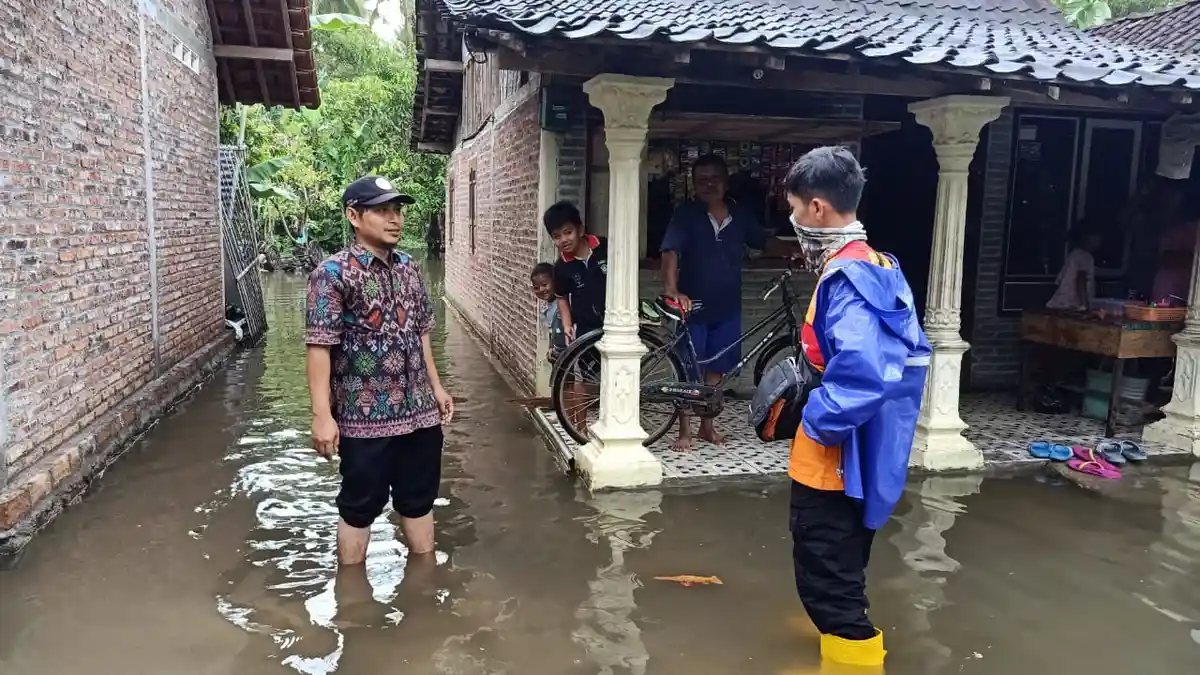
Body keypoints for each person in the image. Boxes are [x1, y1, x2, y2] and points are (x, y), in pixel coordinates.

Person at [785, 146, 930, 668]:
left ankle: (852, 656)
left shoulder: (847, 279)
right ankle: (836, 633)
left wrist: (814, 420)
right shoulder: (879, 264)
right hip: (863, 453)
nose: (794, 222)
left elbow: (864, 373)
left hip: (834, 460)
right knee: (843, 561)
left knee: (828, 578)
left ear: (817, 208)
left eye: (794, 209)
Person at [305, 175, 455, 567]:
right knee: (359, 506)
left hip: (420, 413)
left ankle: (424, 583)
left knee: (420, 500)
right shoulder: (332, 274)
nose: (395, 219)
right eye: (383, 210)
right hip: (364, 417)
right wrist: (322, 416)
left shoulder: (409, 268)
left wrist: (437, 388)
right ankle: (351, 590)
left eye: (398, 210)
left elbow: (422, 333)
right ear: (354, 216)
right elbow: (319, 346)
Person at [660, 154, 790, 451]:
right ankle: (684, 430)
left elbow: (763, 241)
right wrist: (672, 291)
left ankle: (707, 427)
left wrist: (795, 250)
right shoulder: (686, 214)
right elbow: (670, 252)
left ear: (726, 181)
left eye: (715, 178)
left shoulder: (739, 214)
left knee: (717, 371)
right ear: (694, 184)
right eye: (702, 179)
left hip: (727, 307)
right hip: (693, 309)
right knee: (688, 371)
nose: (709, 184)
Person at [1045, 227, 1102, 311]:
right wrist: (1084, 304)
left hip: (1061, 301)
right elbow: (1080, 281)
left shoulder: (1074, 254)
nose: (1100, 240)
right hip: (1071, 304)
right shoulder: (1085, 256)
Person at [531, 262, 568, 362]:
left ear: (555, 282)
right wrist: (551, 348)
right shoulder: (547, 307)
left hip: (566, 353)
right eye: (536, 287)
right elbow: (552, 332)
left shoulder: (562, 306)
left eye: (544, 285)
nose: (541, 290)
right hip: (557, 354)